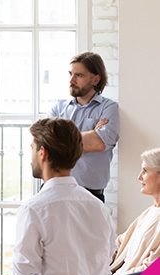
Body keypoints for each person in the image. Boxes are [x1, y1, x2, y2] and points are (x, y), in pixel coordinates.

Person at [0, 118, 116, 275]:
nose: (31, 157)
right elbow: (97, 266)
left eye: (32, 149)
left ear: (42, 153)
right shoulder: (98, 207)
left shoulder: (34, 209)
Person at [47, 51, 120, 203]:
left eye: (79, 75)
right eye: (70, 74)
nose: (71, 80)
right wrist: (92, 133)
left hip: (91, 194)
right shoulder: (58, 108)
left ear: (96, 79)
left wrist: (63, 140)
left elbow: (100, 143)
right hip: (55, 190)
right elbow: (48, 142)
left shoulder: (109, 108)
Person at [110, 148, 160, 275]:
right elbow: (120, 243)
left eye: (145, 171)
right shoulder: (150, 212)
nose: (139, 177)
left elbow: (150, 270)